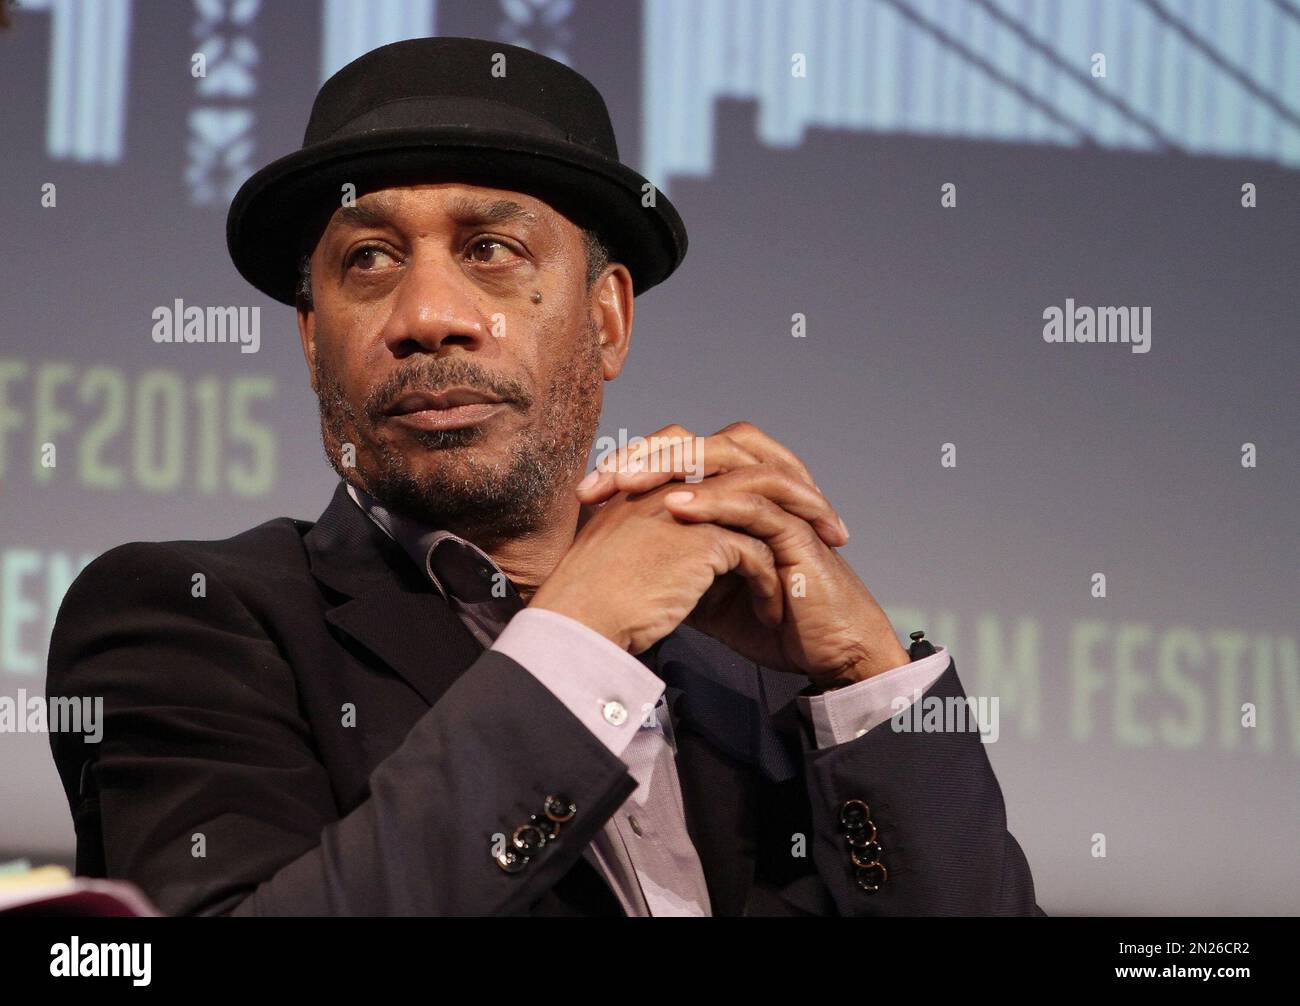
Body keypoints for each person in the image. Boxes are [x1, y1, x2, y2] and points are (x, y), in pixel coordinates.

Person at [46, 36, 1043, 916]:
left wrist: (867, 676)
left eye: (491, 249)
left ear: (606, 319)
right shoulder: (185, 620)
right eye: (368, 260)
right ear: (313, 341)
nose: (426, 313)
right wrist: (577, 638)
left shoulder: (766, 683)